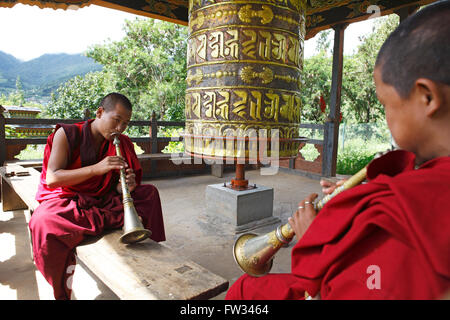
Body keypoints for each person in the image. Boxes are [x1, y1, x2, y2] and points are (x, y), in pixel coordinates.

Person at [226, 1, 450, 300]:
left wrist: (314, 239)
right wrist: (364, 199)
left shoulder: (407, 214)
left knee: (244, 292)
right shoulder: (412, 191)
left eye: (386, 104)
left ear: (426, 97)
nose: (387, 116)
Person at [29, 92, 166, 300]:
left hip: (103, 199)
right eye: (116, 120)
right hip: (71, 198)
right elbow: (53, 178)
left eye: (125, 124)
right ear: (100, 112)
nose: (119, 128)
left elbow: (117, 185)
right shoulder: (67, 134)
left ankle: (148, 259)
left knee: (149, 194)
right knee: (43, 222)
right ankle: (61, 290)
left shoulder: (122, 142)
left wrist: (125, 187)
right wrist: (96, 169)